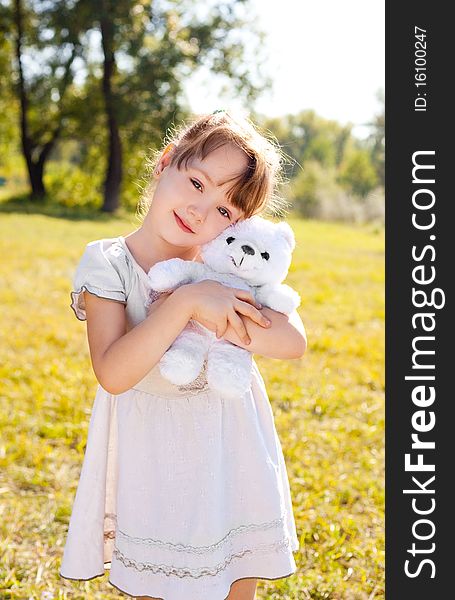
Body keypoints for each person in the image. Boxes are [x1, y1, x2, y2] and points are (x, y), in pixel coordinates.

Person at [59, 110, 307, 600]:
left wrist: (221, 295)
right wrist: (191, 302)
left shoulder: (229, 268)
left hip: (228, 444)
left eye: (225, 212)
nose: (200, 210)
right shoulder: (108, 261)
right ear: (166, 162)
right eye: (197, 182)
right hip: (153, 453)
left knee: (237, 576)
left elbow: (293, 340)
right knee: (159, 578)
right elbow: (113, 372)